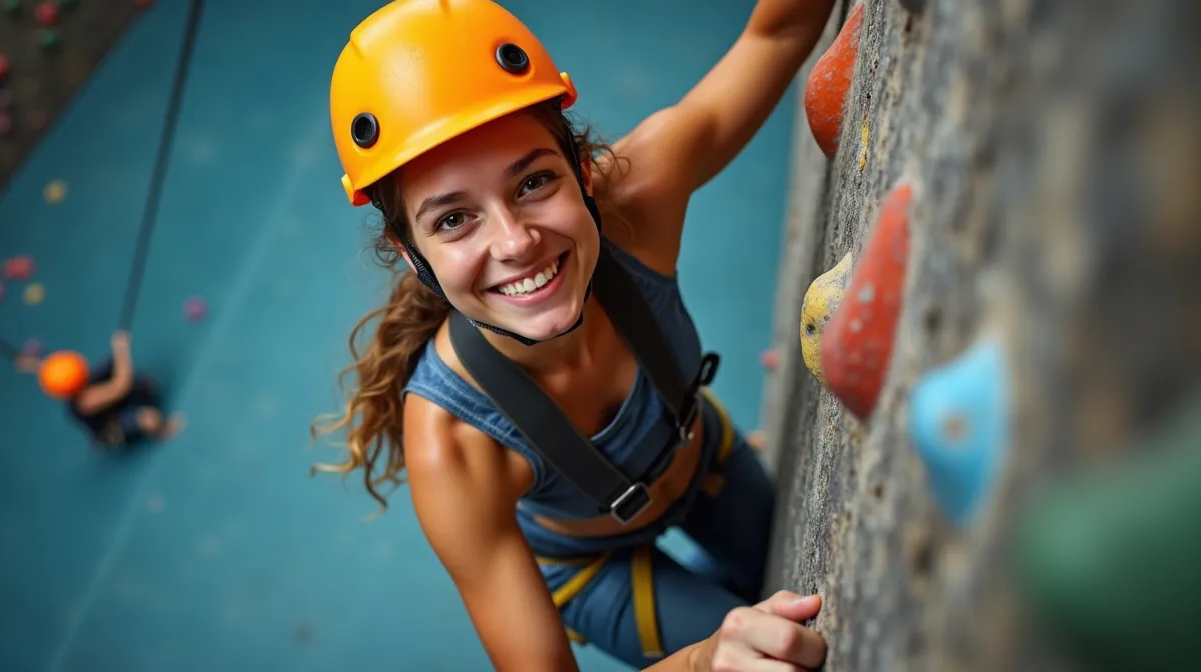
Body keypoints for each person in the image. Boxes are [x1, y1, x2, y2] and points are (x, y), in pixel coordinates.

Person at [316, 0, 835, 669]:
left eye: (533, 182)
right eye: (452, 221)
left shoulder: (640, 203)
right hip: (593, 564)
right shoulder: (453, 445)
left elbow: (780, 30)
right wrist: (707, 660)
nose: (515, 242)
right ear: (412, 253)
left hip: (700, 457)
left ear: (583, 171)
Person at [18, 331, 185, 448]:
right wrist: (122, 349)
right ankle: (163, 432)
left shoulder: (71, 387)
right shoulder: (86, 400)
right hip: (112, 428)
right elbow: (120, 386)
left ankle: (137, 398)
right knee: (149, 418)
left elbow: (52, 371)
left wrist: (34, 365)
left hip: (110, 408)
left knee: (113, 366)